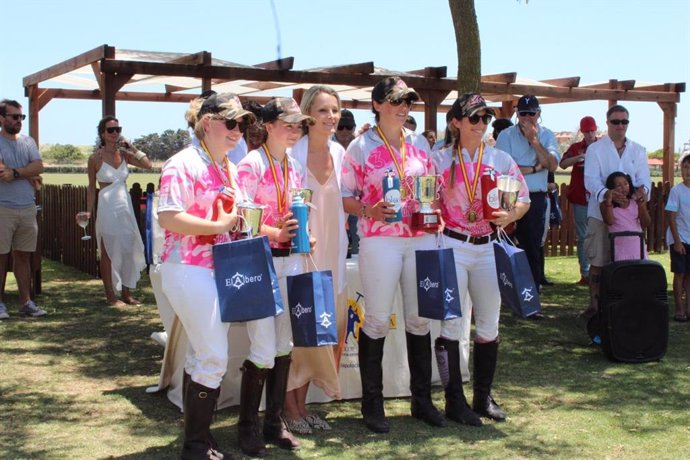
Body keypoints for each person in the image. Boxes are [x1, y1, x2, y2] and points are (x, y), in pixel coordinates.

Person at [341, 76, 446, 433]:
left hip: (419, 238)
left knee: (420, 320)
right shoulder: (360, 147)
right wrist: (368, 211)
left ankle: (422, 401)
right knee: (376, 319)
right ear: (377, 105)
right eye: (396, 101)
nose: (403, 108)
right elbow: (345, 197)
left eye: (407, 102)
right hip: (380, 239)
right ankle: (373, 405)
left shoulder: (419, 144)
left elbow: (430, 189)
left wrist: (435, 212)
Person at [157, 92, 254, 459]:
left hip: (220, 269)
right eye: (230, 123)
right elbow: (168, 216)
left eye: (241, 123)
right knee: (214, 355)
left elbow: (234, 217)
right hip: (188, 268)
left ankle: (199, 440)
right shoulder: (182, 163)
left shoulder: (227, 165)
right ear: (208, 123)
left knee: (203, 355)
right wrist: (218, 223)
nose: (237, 130)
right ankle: (196, 445)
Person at [433, 94, 530, 424]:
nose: (481, 124)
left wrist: (510, 214)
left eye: (485, 118)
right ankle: (453, 400)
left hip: (489, 246)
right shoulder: (440, 159)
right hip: (452, 245)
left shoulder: (501, 159)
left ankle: (483, 397)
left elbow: (523, 200)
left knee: (489, 321)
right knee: (450, 323)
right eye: (474, 118)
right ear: (456, 122)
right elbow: (426, 202)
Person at [236, 96, 312, 455]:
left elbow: (297, 209)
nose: (295, 130)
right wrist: (274, 232)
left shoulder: (294, 165)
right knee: (264, 347)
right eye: (289, 123)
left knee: (285, 345)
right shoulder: (250, 164)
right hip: (261, 262)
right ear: (268, 126)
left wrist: (304, 234)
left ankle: (274, 422)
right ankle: (247, 426)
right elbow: (244, 221)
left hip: (291, 259)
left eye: (299, 124)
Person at [284, 85, 347, 434]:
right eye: (323, 110)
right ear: (308, 115)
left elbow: (349, 202)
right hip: (301, 255)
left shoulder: (341, 154)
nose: (331, 117)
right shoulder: (292, 155)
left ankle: (302, 404)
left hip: (333, 256)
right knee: (299, 331)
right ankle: (287, 407)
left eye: (335, 110)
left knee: (322, 331)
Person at [583, 105, 651, 318]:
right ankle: (595, 306)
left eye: (624, 122)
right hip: (599, 214)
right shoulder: (595, 149)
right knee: (598, 262)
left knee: (629, 263)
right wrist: (608, 194)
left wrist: (641, 193)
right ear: (608, 123)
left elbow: (644, 181)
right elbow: (590, 180)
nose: (620, 126)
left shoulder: (638, 150)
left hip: (629, 217)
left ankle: (625, 304)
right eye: (616, 121)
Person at [82, 116, 151, 306]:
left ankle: (127, 293)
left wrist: (132, 147)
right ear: (102, 133)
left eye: (117, 129)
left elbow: (148, 164)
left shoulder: (125, 154)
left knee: (128, 247)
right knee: (107, 249)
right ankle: (111, 295)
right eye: (110, 130)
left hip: (124, 204)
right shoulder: (95, 158)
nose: (115, 133)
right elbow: (90, 187)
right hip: (107, 205)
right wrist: (88, 211)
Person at [496, 95, 559, 295]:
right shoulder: (505, 136)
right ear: (517, 114)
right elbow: (505, 169)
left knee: (532, 246)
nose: (527, 118)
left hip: (535, 197)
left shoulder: (547, 135)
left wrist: (534, 141)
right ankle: (506, 292)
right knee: (506, 243)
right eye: (523, 113)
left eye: (531, 114)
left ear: (538, 114)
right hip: (509, 195)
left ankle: (531, 294)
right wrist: (534, 168)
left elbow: (551, 164)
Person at [0, 99, 46, 319]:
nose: (19, 121)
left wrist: (17, 173)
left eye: (21, 117)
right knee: (0, 256)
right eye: (14, 117)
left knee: (23, 257)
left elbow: (39, 166)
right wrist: (28, 173)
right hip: (2, 208)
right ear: (2, 118)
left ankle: (26, 302)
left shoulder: (28, 142)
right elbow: (1, 172)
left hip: (27, 208)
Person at [560, 116, 597, 285]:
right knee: (583, 236)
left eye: (592, 131)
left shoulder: (602, 146)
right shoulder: (576, 147)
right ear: (582, 131)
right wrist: (579, 158)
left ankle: (599, 270)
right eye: (586, 131)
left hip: (598, 198)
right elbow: (563, 164)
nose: (589, 134)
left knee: (599, 235)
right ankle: (585, 273)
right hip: (580, 198)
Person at [600, 171, 650, 261]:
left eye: (626, 184)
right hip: (620, 250)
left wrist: (641, 205)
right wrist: (608, 202)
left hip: (638, 247)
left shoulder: (635, 202)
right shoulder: (606, 204)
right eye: (619, 185)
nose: (623, 188)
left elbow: (645, 223)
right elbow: (609, 222)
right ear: (612, 188)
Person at [665, 154, 690, 322]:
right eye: (686, 167)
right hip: (680, 239)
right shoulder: (676, 191)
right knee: (680, 274)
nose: (688, 171)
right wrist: (677, 241)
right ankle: (679, 309)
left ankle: (689, 308)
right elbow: (672, 218)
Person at [335, 109, 360, 256]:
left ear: (354, 127)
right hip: (336, 200)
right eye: (340, 126)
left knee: (358, 241)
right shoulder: (327, 145)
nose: (344, 130)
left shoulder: (360, 145)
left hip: (357, 200)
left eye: (348, 126)